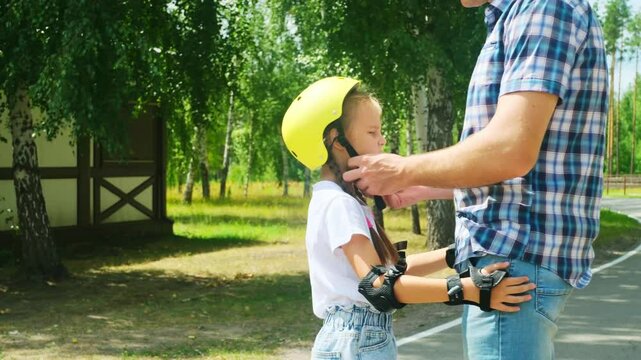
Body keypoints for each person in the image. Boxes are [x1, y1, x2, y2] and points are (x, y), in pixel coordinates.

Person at [343, 0, 609, 359]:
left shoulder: (541, 8)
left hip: (512, 257)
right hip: (510, 256)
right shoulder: (516, 16)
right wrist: (423, 186)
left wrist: (404, 169)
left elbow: (511, 149)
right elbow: (521, 173)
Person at [281, 76, 536, 360]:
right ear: (336, 141)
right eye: (372, 131)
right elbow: (379, 287)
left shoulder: (341, 201)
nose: (382, 139)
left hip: (357, 336)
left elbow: (390, 272)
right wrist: (466, 290)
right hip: (355, 340)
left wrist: (455, 254)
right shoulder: (338, 204)